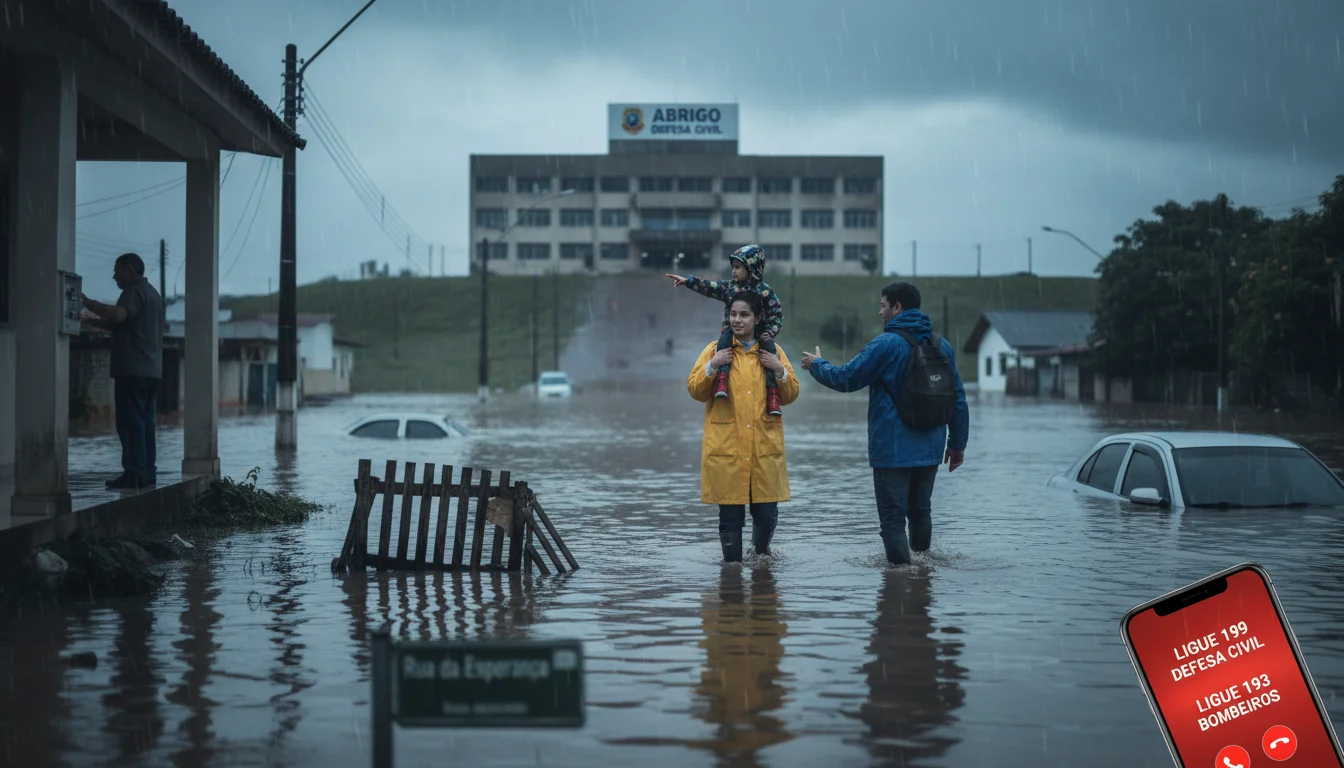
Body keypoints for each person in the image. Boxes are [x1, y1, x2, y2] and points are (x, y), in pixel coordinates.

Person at [800, 282, 969, 566]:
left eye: (882, 306)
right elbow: (959, 398)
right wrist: (957, 444)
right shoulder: (942, 345)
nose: (880, 312)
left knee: (892, 520)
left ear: (897, 307)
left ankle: (900, 583)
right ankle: (921, 583)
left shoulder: (885, 344)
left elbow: (846, 378)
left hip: (892, 449)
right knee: (921, 512)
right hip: (930, 448)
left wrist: (817, 364)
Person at [687, 291, 800, 563]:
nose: (737, 320)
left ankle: (760, 556)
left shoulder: (774, 352)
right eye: (733, 314)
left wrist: (779, 370)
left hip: (763, 449)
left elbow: (791, 394)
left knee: (767, 516)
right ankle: (732, 573)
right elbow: (695, 390)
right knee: (730, 519)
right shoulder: (715, 350)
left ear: (758, 318)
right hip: (728, 449)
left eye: (744, 315)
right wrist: (713, 366)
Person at [667, 244, 785, 416]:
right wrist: (689, 282)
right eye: (733, 267)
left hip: (760, 334)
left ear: (751, 268)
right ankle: (722, 380)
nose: (734, 271)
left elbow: (777, 313)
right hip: (730, 333)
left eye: (738, 267)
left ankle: (773, 394)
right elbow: (710, 286)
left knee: (769, 352)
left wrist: (770, 332)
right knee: (723, 344)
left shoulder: (765, 291)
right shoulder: (730, 287)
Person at [81, 252, 164, 490]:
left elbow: (119, 314)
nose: (114, 276)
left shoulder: (134, 291)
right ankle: (147, 473)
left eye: (116, 271)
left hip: (133, 369)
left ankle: (133, 474)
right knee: (145, 423)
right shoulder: (153, 295)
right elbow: (122, 323)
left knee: (130, 423)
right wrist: (91, 320)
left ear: (129, 270)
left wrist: (89, 303)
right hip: (151, 371)